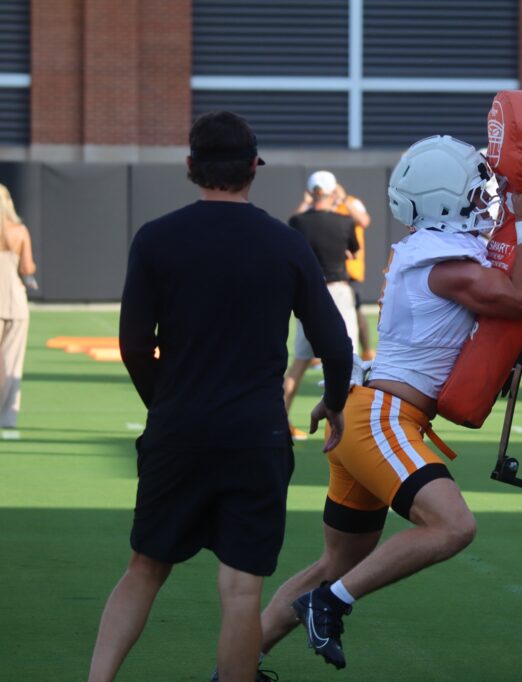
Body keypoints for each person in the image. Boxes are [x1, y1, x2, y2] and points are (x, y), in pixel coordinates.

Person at [259, 135, 522, 671]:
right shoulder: (447, 264)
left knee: (333, 563)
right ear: (449, 199)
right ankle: (330, 603)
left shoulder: (428, 249)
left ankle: (234, 665)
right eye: (475, 189)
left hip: (364, 412)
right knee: (452, 526)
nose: (484, 198)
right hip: (382, 421)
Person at [88, 111, 354, 682]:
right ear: (253, 167)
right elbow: (336, 342)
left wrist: (163, 404)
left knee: (145, 566)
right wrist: (333, 402)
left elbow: (134, 344)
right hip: (255, 435)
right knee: (240, 588)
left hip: (178, 429)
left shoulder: (156, 239)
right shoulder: (284, 243)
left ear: (191, 167)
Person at [282, 171, 361, 439]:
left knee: (300, 363)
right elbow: (354, 251)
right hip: (338, 290)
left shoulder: (298, 221)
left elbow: (290, 237)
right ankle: (351, 427)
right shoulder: (345, 220)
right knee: (349, 360)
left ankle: (281, 421)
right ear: (332, 192)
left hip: (310, 292)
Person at [295, 178, 376, 360]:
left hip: (347, 271)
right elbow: (294, 222)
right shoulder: (314, 210)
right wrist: (308, 201)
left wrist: (344, 199)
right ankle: (320, 355)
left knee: (354, 311)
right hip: (323, 273)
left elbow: (363, 221)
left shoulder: (350, 204)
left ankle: (366, 351)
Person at [0, 183, 36, 429]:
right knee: (11, 363)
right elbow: (27, 268)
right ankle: (7, 416)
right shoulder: (19, 231)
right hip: (14, 301)